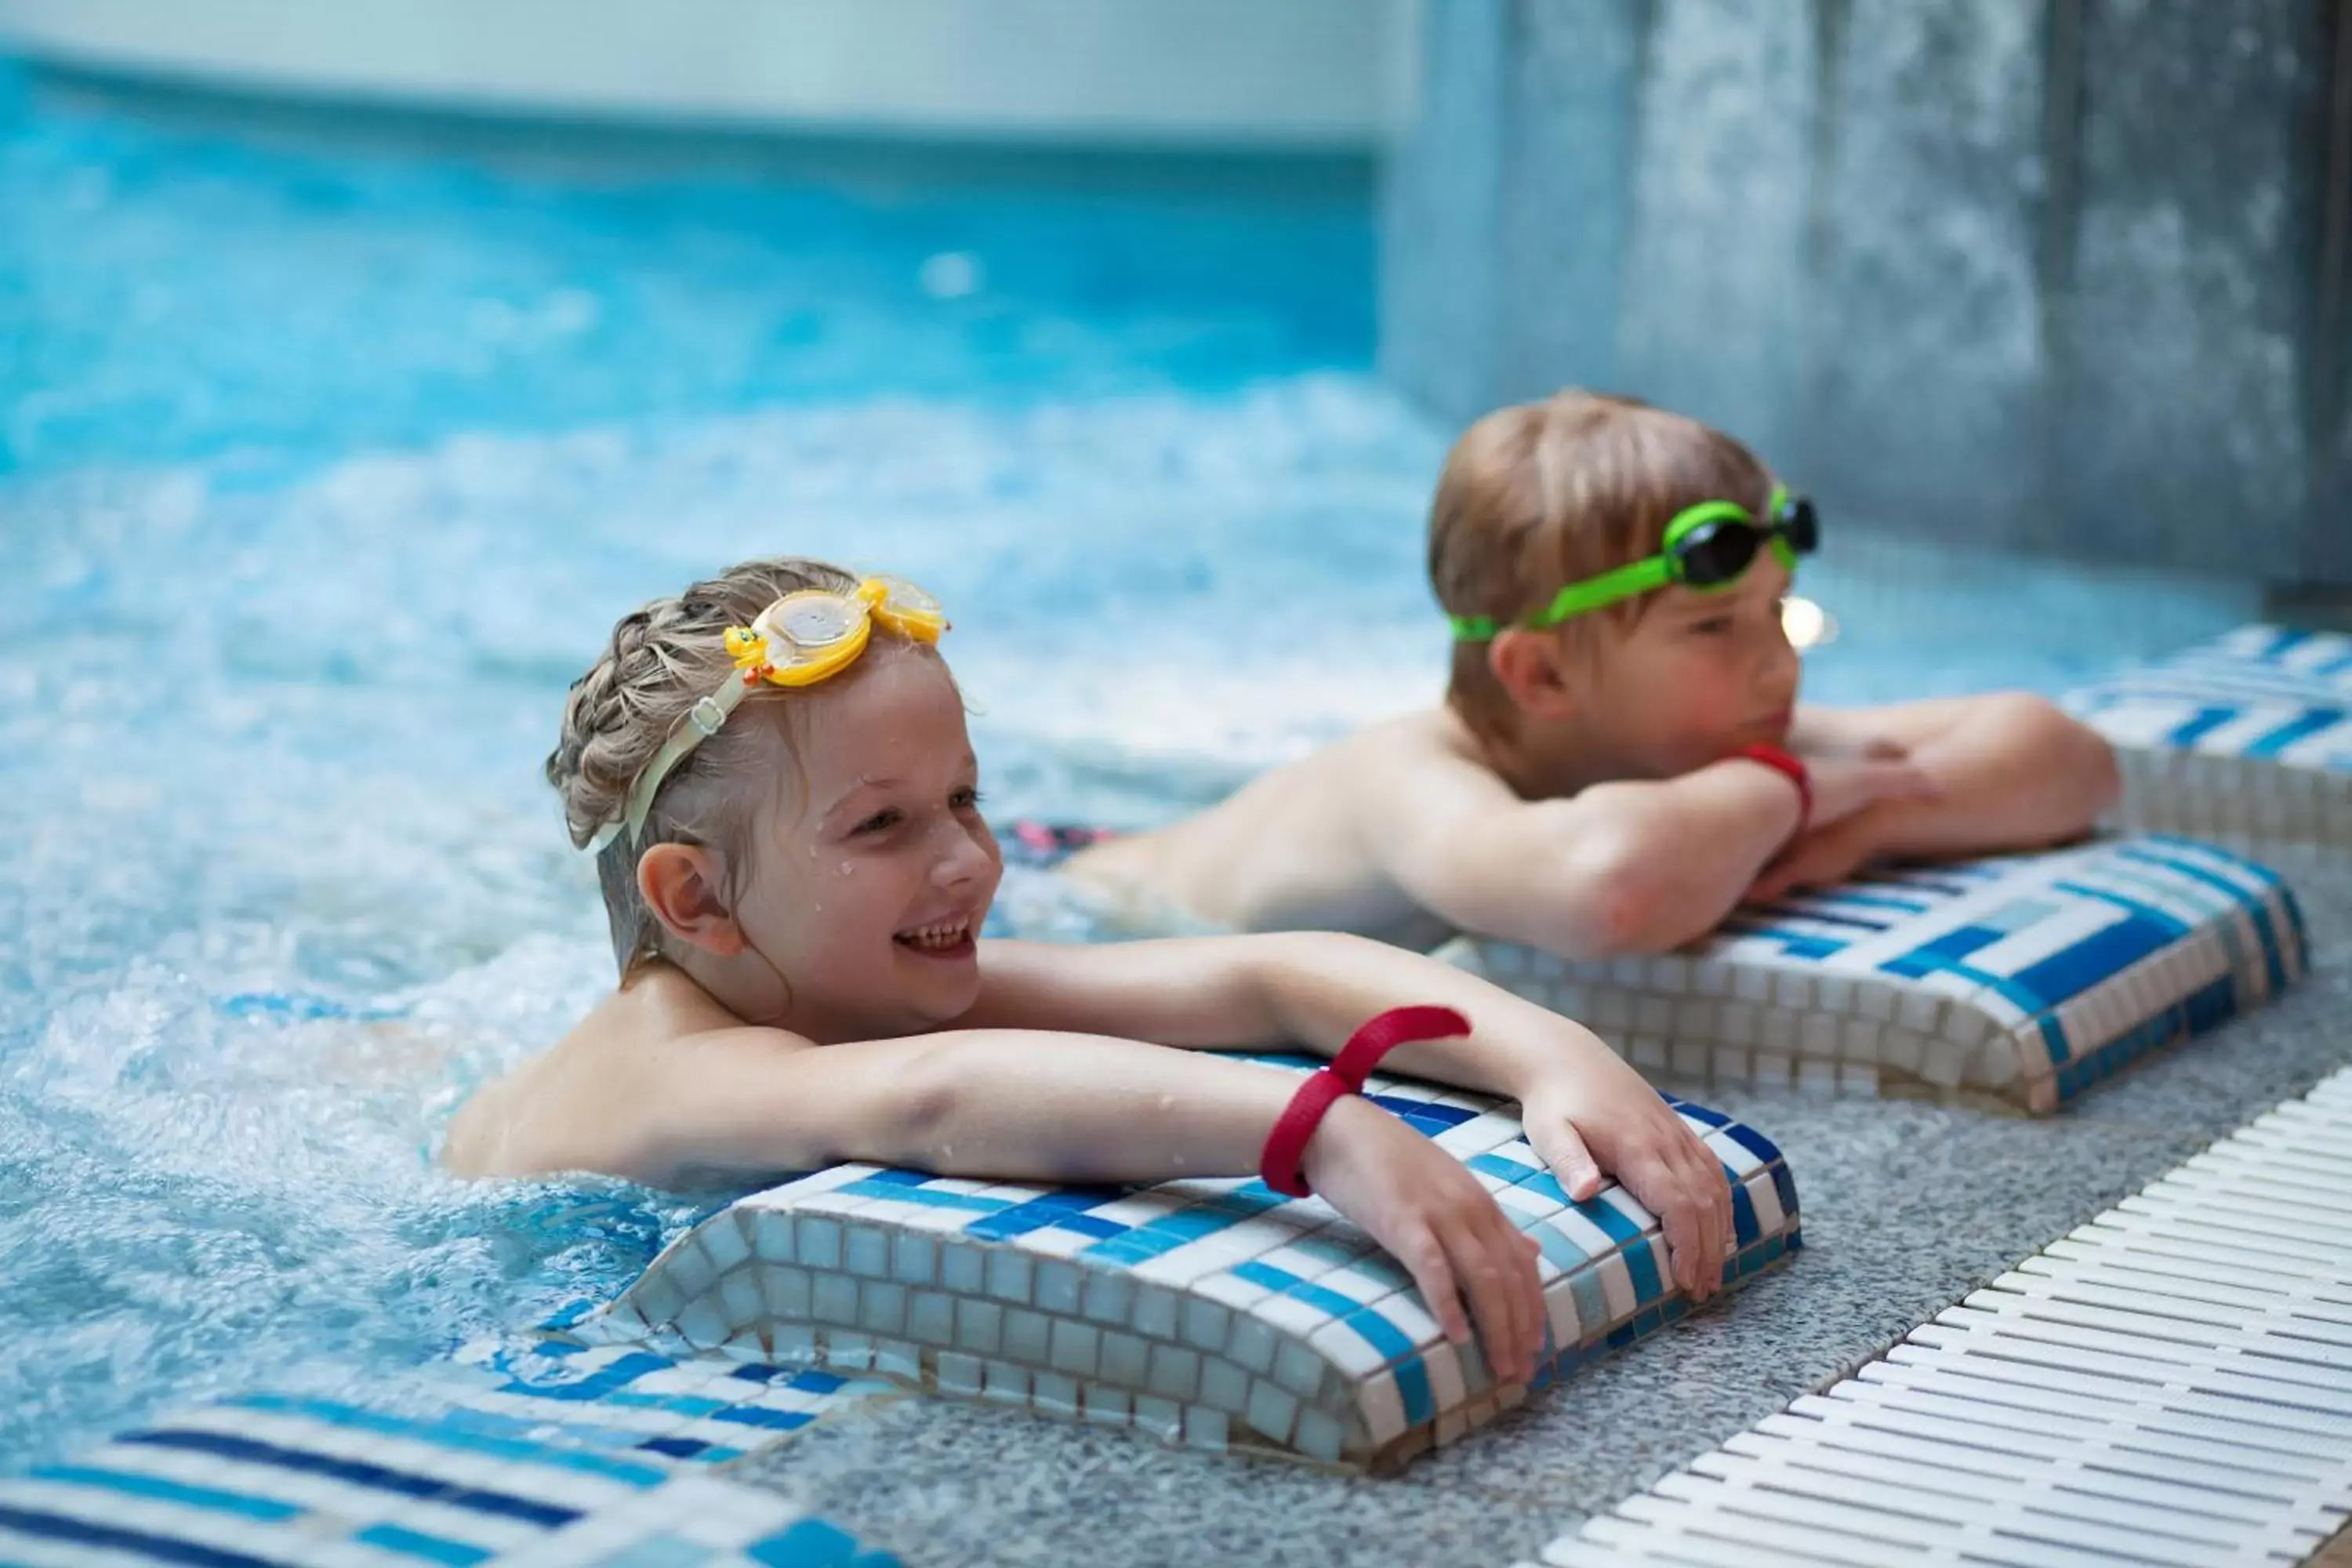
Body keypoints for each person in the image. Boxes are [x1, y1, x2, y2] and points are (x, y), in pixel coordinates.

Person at [444, 558, 1736, 1385]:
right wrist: (1317, 1128)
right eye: (881, 826)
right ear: (697, 898)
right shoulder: (682, 1073)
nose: (964, 862)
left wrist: (1554, 1058)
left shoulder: (843, 972)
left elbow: (1273, 978)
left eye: (963, 798)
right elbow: (933, 1100)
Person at [1065, 390, 2121, 956]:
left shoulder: (1702, 724)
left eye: (1776, 613)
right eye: (1715, 628)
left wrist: (1874, 821)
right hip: (1097, 913)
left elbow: (2065, 758)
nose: (1776, 657)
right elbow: (1606, 894)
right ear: (1542, 677)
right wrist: (1794, 791)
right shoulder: (1404, 782)